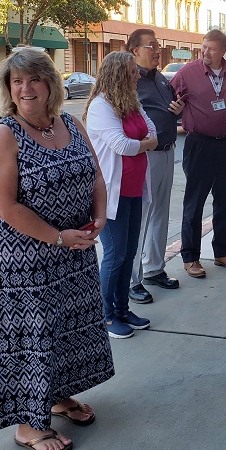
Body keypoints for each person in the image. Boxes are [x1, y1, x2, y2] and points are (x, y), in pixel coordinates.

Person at [0, 46, 114, 450]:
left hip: (72, 253)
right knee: (31, 338)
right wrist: (58, 237)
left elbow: (95, 176)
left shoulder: (70, 123)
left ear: (50, 84)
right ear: (8, 88)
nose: (26, 88)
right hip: (23, 260)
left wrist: (99, 217)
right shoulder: (5, 134)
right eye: (17, 81)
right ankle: (28, 426)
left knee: (64, 331)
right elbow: (4, 206)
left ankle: (56, 397)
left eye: (34, 79)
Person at [85, 52, 158, 339]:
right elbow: (122, 146)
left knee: (128, 254)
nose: (138, 75)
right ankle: (106, 316)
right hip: (110, 194)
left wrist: (143, 142)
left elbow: (153, 132)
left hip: (134, 189)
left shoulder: (131, 102)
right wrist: (145, 144)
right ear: (118, 75)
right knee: (115, 255)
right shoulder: (101, 106)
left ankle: (122, 309)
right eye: (132, 71)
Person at [171, 29, 226, 278]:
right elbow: (167, 98)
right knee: (195, 202)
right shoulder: (187, 72)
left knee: (224, 201)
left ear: (223, 50)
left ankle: (223, 253)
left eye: (211, 48)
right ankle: (190, 256)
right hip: (199, 144)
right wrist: (176, 109)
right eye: (203, 47)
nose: (205, 52)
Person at [126, 29, 184, 304]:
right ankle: (132, 280)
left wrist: (178, 109)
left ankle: (154, 269)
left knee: (160, 212)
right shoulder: (130, 81)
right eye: (151, 46)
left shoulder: (160, 78)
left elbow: (169, 109)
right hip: (145, 156)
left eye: (157, 46)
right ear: (135, 50)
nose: (157, 51)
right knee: (140, 217)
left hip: (167, 151)